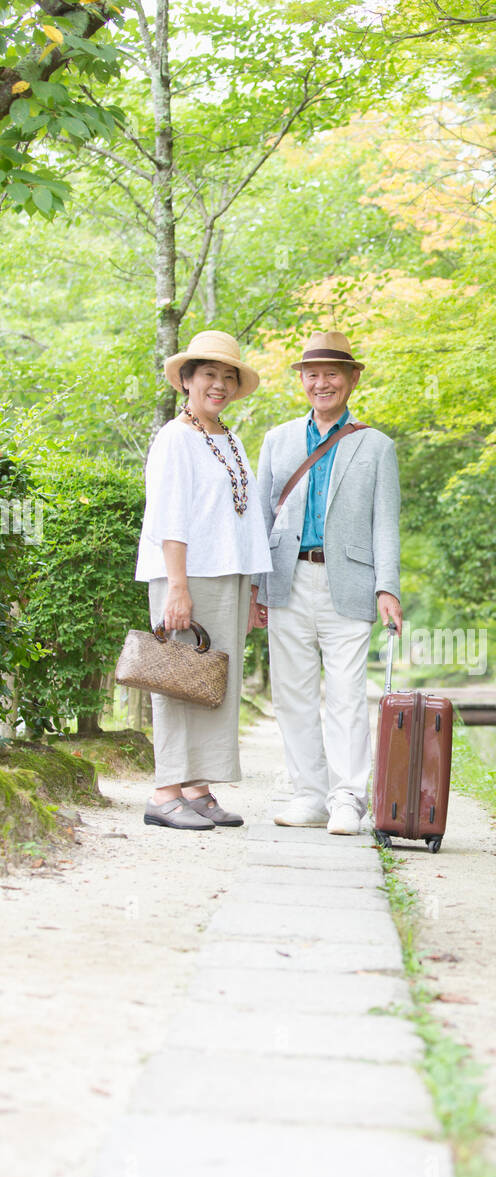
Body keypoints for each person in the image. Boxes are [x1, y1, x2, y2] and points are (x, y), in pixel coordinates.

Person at [251, 330, 402, 835]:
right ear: (301, 380)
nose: (321, 383)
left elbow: (386, 522)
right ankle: (308, 795)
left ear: (352, 378)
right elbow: (259, 518)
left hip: (351, 583)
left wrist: (389, 587)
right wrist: (256, 587)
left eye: (332, 373)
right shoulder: (277, 440)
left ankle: (347, 798)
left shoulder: (376, 445)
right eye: (311, 374)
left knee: (345, 693)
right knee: (292, 693)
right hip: (285, 578)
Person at [135, 330, 272, 829]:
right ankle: (163, 792)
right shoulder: (176, 438)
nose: (219, 384)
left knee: (212, 682)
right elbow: (170, 516)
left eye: (228, 377)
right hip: (187, 574)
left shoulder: (228, 439)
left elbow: (244, 518)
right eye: (209, 374)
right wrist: (177, 587)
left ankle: (196, 787)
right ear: (187, 381)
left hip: (228, 574)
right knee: (175, 680)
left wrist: (254, 589)